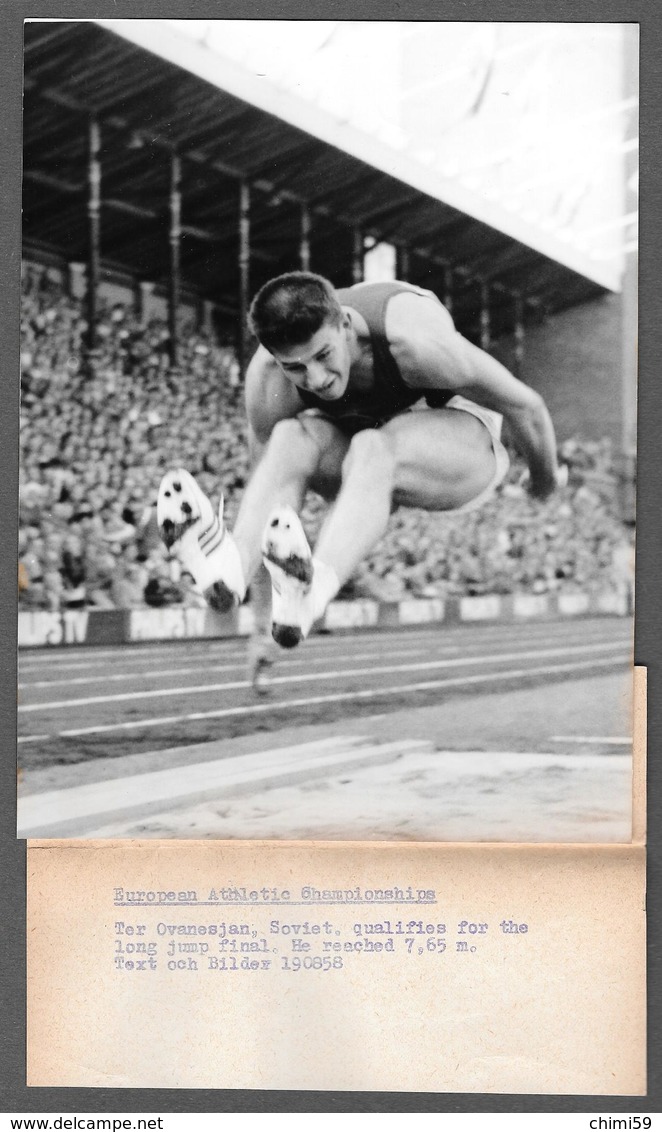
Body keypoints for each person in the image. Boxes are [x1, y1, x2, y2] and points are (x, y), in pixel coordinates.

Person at [157, 272, 563, 686]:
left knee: (375, 447)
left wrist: (543, 484)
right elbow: (271, 491)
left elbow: (527, 407)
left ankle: (314, 590)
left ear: (346, 326)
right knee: (287, 437)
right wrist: (263, 627)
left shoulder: (416, 342)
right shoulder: (267, 380)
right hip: (358, 465)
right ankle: (232, 566)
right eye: (295, 367)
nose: (316, 379)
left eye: (323, 355)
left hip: (460, 453)